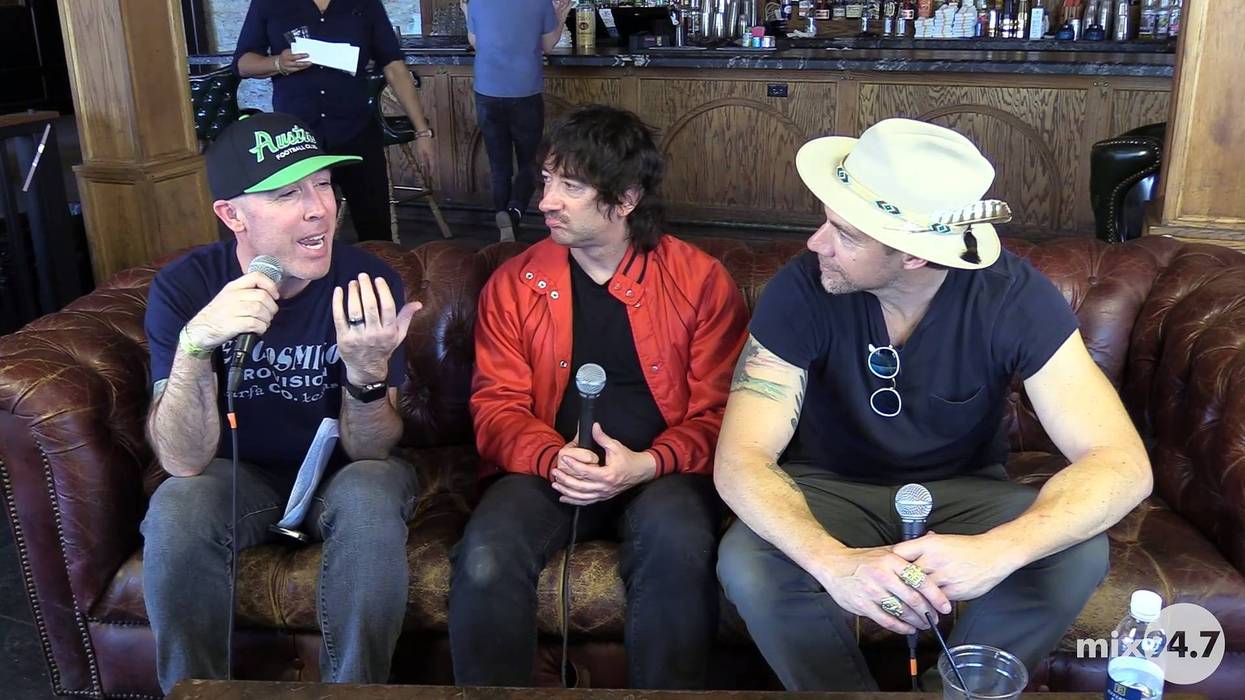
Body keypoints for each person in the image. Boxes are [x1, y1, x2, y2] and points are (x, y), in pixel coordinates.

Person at [713, 118, 1153, 691]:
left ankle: (953, 692)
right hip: (828, 486)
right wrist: (832, 562)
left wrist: (1001, 550)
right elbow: (741, 457)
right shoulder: (802, 287)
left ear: (914, 256)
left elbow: (1122, 464)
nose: (816, 243)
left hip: (964, 489)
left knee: (1075, 552)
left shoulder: (1015, 296)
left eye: (845, 234)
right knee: (748, 560)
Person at [450, 105, 749, 688]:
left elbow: (723, 416)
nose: (546, 201)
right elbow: (495, 406)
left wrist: (649, 463)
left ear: (627, 198)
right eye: (546, 181)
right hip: (549, 469)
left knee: (677, 546)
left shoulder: (700, 281)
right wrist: (550, 456)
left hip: (663, 472)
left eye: (571, 186)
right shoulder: (516, 282)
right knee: (485, 555)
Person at [141, 112, 422, 693]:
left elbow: (371, 450)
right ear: (232, 215)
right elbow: (182, 460)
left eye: (322, 184)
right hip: (240, 477)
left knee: (373, 492)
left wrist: (367, 375)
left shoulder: (369, 282)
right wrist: (195, 347)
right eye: (287, 193)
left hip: (343, 474)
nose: (319, 208)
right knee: (177, 506)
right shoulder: (185, 287)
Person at [234, 0, 436, 242]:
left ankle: (376, 278)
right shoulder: (270, 4)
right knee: (302, 229)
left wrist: (422, 131)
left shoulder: (367, 4)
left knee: (375, 228)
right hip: (299, 139)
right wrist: (277, 63)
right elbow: (242, 63)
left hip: (357, 132)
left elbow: (394, 66)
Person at [460, 0, 573, 242]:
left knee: (499, 165)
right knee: (529, 162)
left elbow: (476, 43)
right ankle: (514, 213)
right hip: (525, 94)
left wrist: (466, 13)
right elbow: (548, 45)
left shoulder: (478, 3)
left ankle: (501, 214)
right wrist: (561, 14)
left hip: (487, 93)